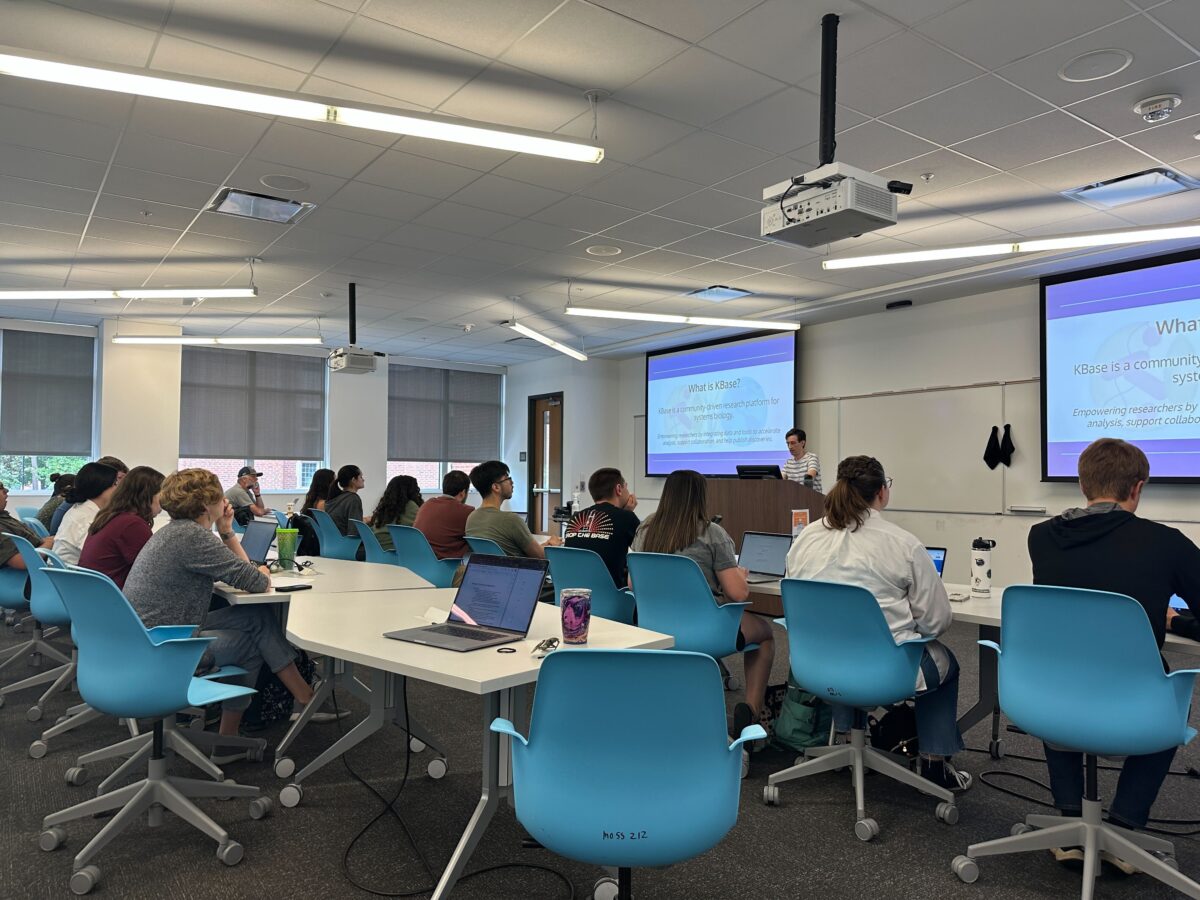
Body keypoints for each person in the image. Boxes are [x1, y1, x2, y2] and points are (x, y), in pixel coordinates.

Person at [1028, 437, 1200, 864]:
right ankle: (1126, 830)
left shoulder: (1042, 537)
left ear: (1083, 484)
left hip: (1049, 698)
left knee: (1060, 669)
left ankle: (1069, 822)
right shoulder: (1166, 543)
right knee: (1174, 698)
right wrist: (1176, 621)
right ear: (1137, 488)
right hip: (1133, 703)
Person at [786, 456, 970, 792]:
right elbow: (936, 622)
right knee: (947, 662)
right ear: (882, 492)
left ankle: (844, 738)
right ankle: (933, 763)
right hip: (884, 674)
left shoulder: (806, 539)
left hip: (815, 667)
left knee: (841, 640)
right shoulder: (903, 544)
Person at [123, 468, 317, 738]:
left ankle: (303, 697)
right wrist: (258, 569)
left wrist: (226, 531)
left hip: (150, 636)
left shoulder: (173, 532)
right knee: (250, 643)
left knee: (255, 617)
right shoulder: (193, 538)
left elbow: (246, 575)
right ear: (206, 504)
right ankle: (228, 738)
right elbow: (257, 581)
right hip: (167, 650)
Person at [631, 469, 774, 729]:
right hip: (705, 630)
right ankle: (751, 713)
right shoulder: (712, 534)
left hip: (653, 627)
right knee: (765, 633)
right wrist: (739, 575)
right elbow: (738, 593)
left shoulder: (646, 529)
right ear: (700, 497)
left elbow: (632, 583)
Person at [78, 466, 164, 589]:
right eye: (161, 494)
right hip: (113, 598)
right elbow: (154, 571)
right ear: (147, 495)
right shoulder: (132, 524)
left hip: (93, 594)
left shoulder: (109, 516)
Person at [465, 460, 561, 559]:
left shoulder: (472, 518)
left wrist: (546, 545)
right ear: (496, 487)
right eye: (507, 478)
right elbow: (541, 556)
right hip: (520, 572)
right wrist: (554, 546)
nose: (512, 482)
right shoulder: (511, 520)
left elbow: (515, 551)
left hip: (492, 572)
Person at [563, 467, 640, 587]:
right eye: (626, 487)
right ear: (619, 489)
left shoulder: (575, 518)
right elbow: (644, 551)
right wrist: (628, 513)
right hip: (612, 598)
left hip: (575, 595)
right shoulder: (627, 518)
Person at [52, 462, 120, 566]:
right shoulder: (86, 517)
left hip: (67, 575)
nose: (119, 489)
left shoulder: (82, 508)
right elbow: (97, 557)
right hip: (75, 578)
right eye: (115, 484)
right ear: (101, 486)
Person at [51, 456, 127, 534]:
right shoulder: (84, 516)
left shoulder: (85, 504)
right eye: (115, 481)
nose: (121, 485)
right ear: (100, 482)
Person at [413, 470, 474, 559]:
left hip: (418, 560)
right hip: (444, 565)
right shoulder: (467, 511)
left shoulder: (427, 504)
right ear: (462, 493)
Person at [0, 480, 55, 570]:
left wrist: (46, 541)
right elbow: (22, 562)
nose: (6, 491)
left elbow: (28, 544)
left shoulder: (3, 517)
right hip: (32, 577)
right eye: (1, 488)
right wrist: (49, 543)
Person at [369, 475, 423, 552]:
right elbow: (424, 529)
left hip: (378, 550)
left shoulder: (385, 506)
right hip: (397, 552)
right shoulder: (410, 506)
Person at [293, 467, 335, 557]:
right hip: (321, 543)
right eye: (334, 481)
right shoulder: (323, 504)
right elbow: (328, 527)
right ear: (328, 483)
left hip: (311, 543)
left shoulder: (313, 500)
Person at [325, 464, 365, 537]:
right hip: (348, 544)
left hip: (334, 541)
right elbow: (354, 532)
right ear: (353, 480)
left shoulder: (336, 497)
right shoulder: (353, 499)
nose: (363, 479)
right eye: (361, 477)